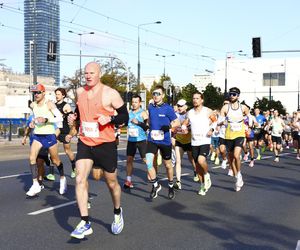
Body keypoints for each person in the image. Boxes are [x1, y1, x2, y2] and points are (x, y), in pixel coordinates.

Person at [70, 62, 128, 239]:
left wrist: (110, 118)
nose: (88, 76)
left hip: (106, 144)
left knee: (111, 183)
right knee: (80, 179)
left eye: (92, 73)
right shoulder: (80, 92)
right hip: (85, 142)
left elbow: (125, 116)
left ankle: (117, 212)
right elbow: (80, 113)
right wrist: (74, 117)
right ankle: (85, 222)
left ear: (99, 74)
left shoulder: (110, 93)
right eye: (86, 73)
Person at [26, 83, 66, 197]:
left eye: (38, 92)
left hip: (49, 136)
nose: (36, 95)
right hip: (38, 136)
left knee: (55, 160)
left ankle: (63, 178)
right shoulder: (33, 105)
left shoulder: (49, 104)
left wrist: (46, 119)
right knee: (32, 157)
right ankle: (35, 184)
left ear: (43, 93)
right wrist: (32, 122)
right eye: (34, 93)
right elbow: (34, 117)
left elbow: (59, 118)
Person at [145, 85, 180, 200]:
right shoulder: (150, 107)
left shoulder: (168, 108)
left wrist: (169, 126)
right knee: (149, 162)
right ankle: (156, 185)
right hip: (152, 140)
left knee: (168, 165)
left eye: (158, 94)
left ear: (163, 95)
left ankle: (170, 185)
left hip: (165, 141)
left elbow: (177, 122)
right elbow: (150, 121)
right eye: (154, 93)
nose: (155, 96)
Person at [182, 92, 216, 196]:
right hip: (194, 141)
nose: (195, 100)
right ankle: (202, 185)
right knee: (197, 167)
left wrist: (212, 129)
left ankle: (207, 175)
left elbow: (214, 121)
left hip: (205, 140)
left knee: (201, 160)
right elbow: (185, 122)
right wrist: (184, 127)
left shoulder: (207, 111)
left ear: (202, 100)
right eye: (193, 98)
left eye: (197, 98)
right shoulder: (190, 112)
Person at [219, 87, 249, 192]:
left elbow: (248, 118)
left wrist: (248, 126)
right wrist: (222, 122)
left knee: (236, 155)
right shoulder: (225, 108)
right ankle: (237, 177)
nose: (232, 96)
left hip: (240, 134)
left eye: (234, 94)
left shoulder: (243, 107)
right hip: (229, 135)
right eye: (230, 94)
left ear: (238, 96)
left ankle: (239, 173)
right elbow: (219, 121)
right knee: (231, 159)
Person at [124, 94, 148, 189]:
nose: (134, 104)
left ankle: (153, 176)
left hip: (141, 140)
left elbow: (147, 127)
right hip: (131, 140)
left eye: (136, 102)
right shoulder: (129, 113)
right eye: (133, 102)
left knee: (145, 160)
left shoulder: (143, 113)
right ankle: (128, 181)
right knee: (129, 160)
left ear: (140, 103)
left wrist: (138, 122)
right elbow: (125, 123)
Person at [172, 99, 196, 190]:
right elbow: (173, 126)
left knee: (191, 159)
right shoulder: (175, 115)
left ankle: (195, 170)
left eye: (181, 106)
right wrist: (174, 130)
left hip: (189, 141)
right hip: (179, 141)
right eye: (178, 105)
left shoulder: (189, 115)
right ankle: (178, 182)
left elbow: (194, 126)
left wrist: (188, 129)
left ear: (186, 106)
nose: (179, 107)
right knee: (178, 161)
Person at [54, 87, 76, 179]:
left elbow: (71, 118)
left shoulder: (66, 105)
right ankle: (51, 173)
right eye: (56, 94)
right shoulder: (54, 105)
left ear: (63, 95)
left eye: (58, 94)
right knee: (52, 151)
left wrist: (71, 132)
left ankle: (74, 168)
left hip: (65, 131)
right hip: (56, 130)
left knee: (67, 150)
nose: (56, 96)